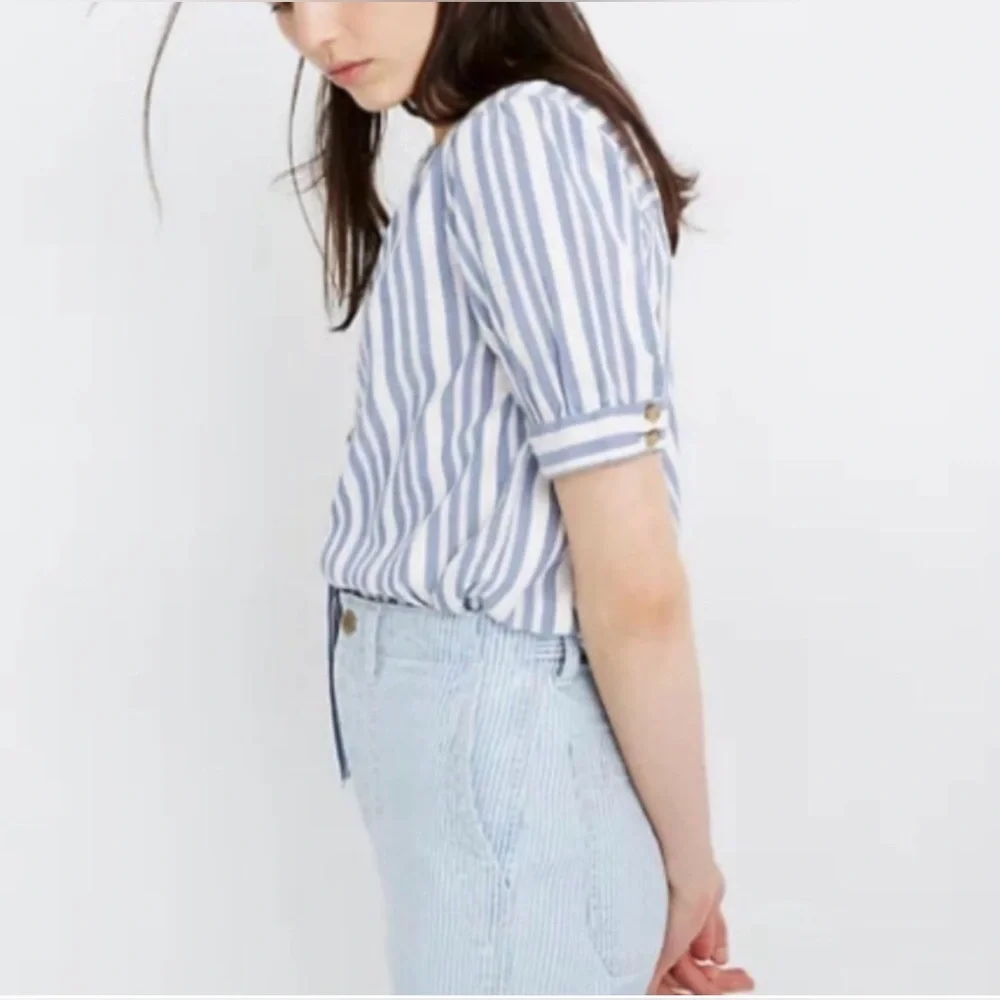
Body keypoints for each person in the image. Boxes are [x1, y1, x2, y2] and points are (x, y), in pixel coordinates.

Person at [146, 3, 757, 995]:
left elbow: (634, 568)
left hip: (502, 733)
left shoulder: (524, 140)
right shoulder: (482, 149)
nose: (313, 32)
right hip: (485, 745)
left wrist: (685, 865)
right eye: (282, 2)